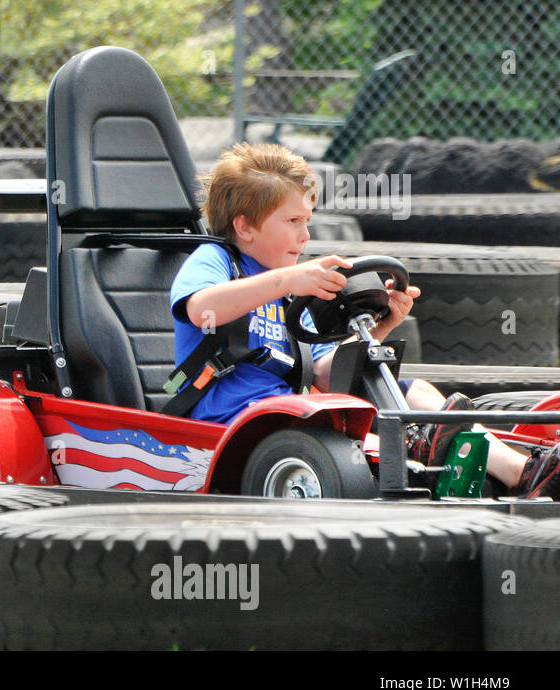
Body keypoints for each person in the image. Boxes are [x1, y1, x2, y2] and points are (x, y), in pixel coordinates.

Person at [169, 141, 560, 498]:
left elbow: (326, 371)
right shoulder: (217, 260)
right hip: (228, 419)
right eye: (292, 222)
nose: (305, 236)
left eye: (307, 221)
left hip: (286, 411)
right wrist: (288, 280)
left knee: (414, 390)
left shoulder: (293, 288)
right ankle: (421, 451)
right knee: (344, 429)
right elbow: (201, 308)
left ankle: (522, 473)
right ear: (244, 226)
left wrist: (381, 326)